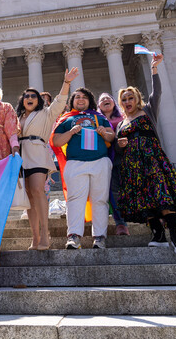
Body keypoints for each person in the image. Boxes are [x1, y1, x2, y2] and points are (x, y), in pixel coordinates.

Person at [116, 54, 176, 255]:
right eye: (124, 99)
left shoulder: (148, 111)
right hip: (132, 165)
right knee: (143, 199)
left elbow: (157, 92)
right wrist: (120, 144)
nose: (127, 101)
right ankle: (158, 235)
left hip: (152, 161)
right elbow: (117, 148)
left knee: (163, 197)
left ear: (137, 99)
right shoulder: (121, 123)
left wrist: (154, 70)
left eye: (130, 98)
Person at [16, 67, 78, 250]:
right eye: (26, 96)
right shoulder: (18, 116)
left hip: (38, 154)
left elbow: (59, 102)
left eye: (33, 96)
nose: (29, 98)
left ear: (39, 100)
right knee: (29, 196)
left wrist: (66, 82)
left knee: (37, 190)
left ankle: (45, 232)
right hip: (21, 155)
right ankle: (35, 236)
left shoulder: (46, 113)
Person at [51, 87, 115, 249]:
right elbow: (56, 142)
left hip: (100, 161)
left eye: (84, 97)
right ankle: (73, 236)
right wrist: (71, 133)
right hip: (75, 163)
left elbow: (111, 136)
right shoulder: (66, 119)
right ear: (72, 101)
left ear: (89, 101)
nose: (80, 99)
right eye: (77, 97)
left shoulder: (99, 117)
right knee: (74, 200)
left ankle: (99, 236)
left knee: (99, 200)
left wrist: (103, 133)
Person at [98, 93, 130, 236]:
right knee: (114, 191)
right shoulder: (97, 120)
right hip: (107, 158)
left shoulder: (125, 117)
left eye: (108, 98)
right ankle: (121, 223)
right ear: (98, 106)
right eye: (101, 99)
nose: (105, 100)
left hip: (127, 157)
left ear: (113, 102)